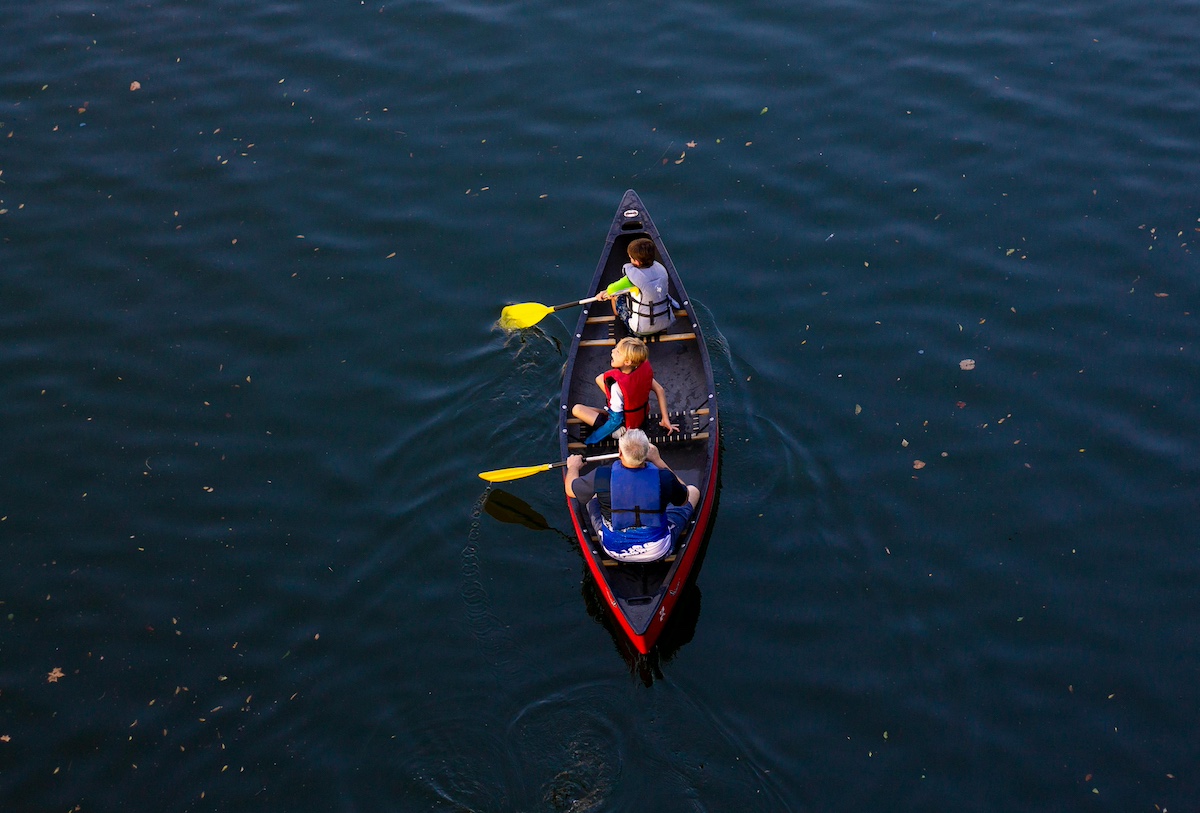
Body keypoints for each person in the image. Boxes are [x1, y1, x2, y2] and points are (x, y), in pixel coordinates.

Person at [564, 429, 701, 563]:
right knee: (693, 491)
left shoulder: (601, 476)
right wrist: (658, 460)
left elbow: (570, 490)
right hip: (658, 551)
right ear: (647, 453)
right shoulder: (664, 478)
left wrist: (573, 467)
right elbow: (684, 498)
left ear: (619, 452)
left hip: (615, 552)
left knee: (592, 494)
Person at [571, 336, 677, 445]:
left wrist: (592, 439)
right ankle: (610, 414)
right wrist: (665, 418)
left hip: (625, 426)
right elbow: (659, 389)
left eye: (617, 352)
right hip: (640, 417)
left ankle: (616, 433)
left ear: (627, 362)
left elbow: (616, 420)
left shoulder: (617, 387)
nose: (612, 351)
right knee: (600, 379)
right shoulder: (640, 368)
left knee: (577, 409)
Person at [596, 237, 675, 336]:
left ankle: (619, 317)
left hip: (640, 330)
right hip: (665, 323)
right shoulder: (661, 269)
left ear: (637, 262)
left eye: (630, 258)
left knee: (617, 297)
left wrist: (601, 294)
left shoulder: (630, 279)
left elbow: (611, 290)